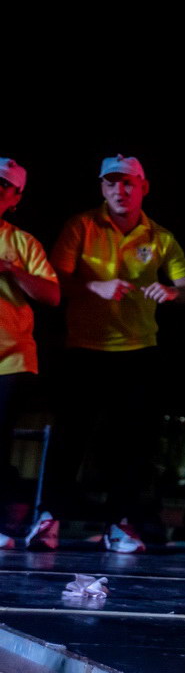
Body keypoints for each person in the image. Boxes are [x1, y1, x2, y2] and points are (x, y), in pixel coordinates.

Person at [34, 155, 185, 553]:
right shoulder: (82, 225)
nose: (119, 191)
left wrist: (174, 292)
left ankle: (120, 524)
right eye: (111, 183)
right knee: (70, 437)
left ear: (143, 187)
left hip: (139, 350)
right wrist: (97, 288)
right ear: (102, 188)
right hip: (85, 349)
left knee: (133, 444)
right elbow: (55, 280)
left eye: (128, 183)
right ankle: (48, 519)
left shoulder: (160, 237)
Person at [0, 158, 60, 549]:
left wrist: (10, 269)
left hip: (10, 357)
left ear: (16, 195)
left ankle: (4, 524)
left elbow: (52, 294)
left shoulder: (23, 243)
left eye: (2, 185)